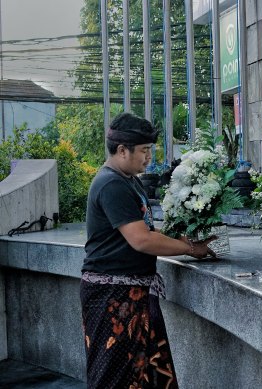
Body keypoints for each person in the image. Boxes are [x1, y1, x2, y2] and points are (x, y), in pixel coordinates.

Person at [80, 112, 216, 388]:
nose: (148, 158)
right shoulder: (111, 184)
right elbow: (141, 240)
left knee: (148, 375)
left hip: (133, 293)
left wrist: (181, 237)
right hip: (113, 298)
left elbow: (148, 230)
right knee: (116, 378)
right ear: (121, 151)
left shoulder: (128, 179)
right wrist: (190, 248)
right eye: (143, 151)